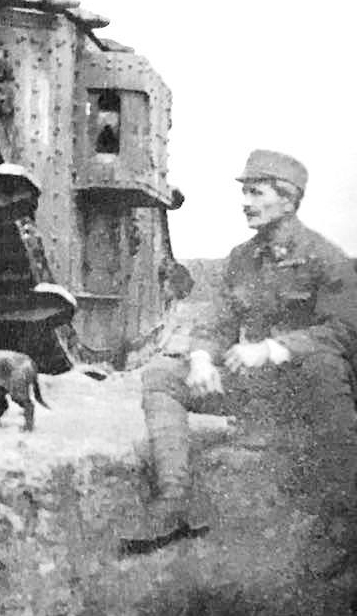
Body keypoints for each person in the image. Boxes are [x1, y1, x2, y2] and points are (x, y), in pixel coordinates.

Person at [121, 149, 357, 554]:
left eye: (256, 192)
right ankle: (174, 500)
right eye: (244, 192)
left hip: (314, 396)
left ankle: (343, 521)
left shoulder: (327, 259)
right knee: (161, 376)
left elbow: (345, 332)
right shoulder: (242, 259)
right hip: (260, 392)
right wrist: (201, 358)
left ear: (288, 200)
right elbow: (216, 324)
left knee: (323, 366)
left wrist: (274, 348)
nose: (245, 202)